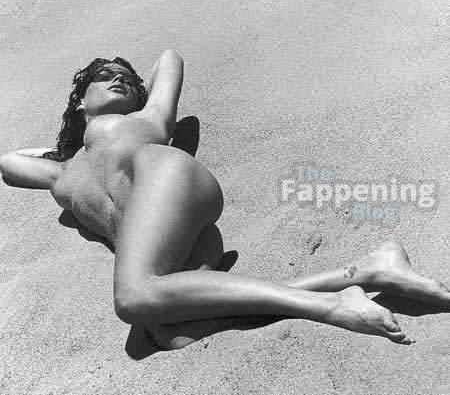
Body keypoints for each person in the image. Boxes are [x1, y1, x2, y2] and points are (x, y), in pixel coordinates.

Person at [1, 50, 448, 351]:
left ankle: (331, 306)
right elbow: (9, 163)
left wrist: (129, 91)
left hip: (164, 175)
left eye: (126, 80)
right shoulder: (64, 173)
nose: (118, 80)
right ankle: (371, 269)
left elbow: (169, 58)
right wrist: (71, 137)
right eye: (104, 78)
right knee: (170, 332)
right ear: (79, 102)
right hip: (170, 247)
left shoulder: (147, 117)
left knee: (133, 299)